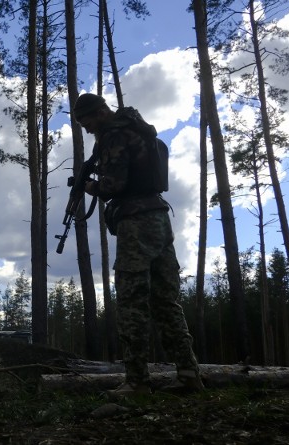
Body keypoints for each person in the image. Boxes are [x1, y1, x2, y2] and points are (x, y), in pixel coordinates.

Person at [72, 93, 203, 396]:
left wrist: (89, 185)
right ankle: (188, 374)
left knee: (132, 303)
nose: (86, 127)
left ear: (101, 111)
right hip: (159, 218)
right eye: (81, 122)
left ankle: (137, 381)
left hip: (135, 223)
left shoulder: (114, 134)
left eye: (87, 119)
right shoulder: (139, 130)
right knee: (167, 302)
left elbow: (113, 185)